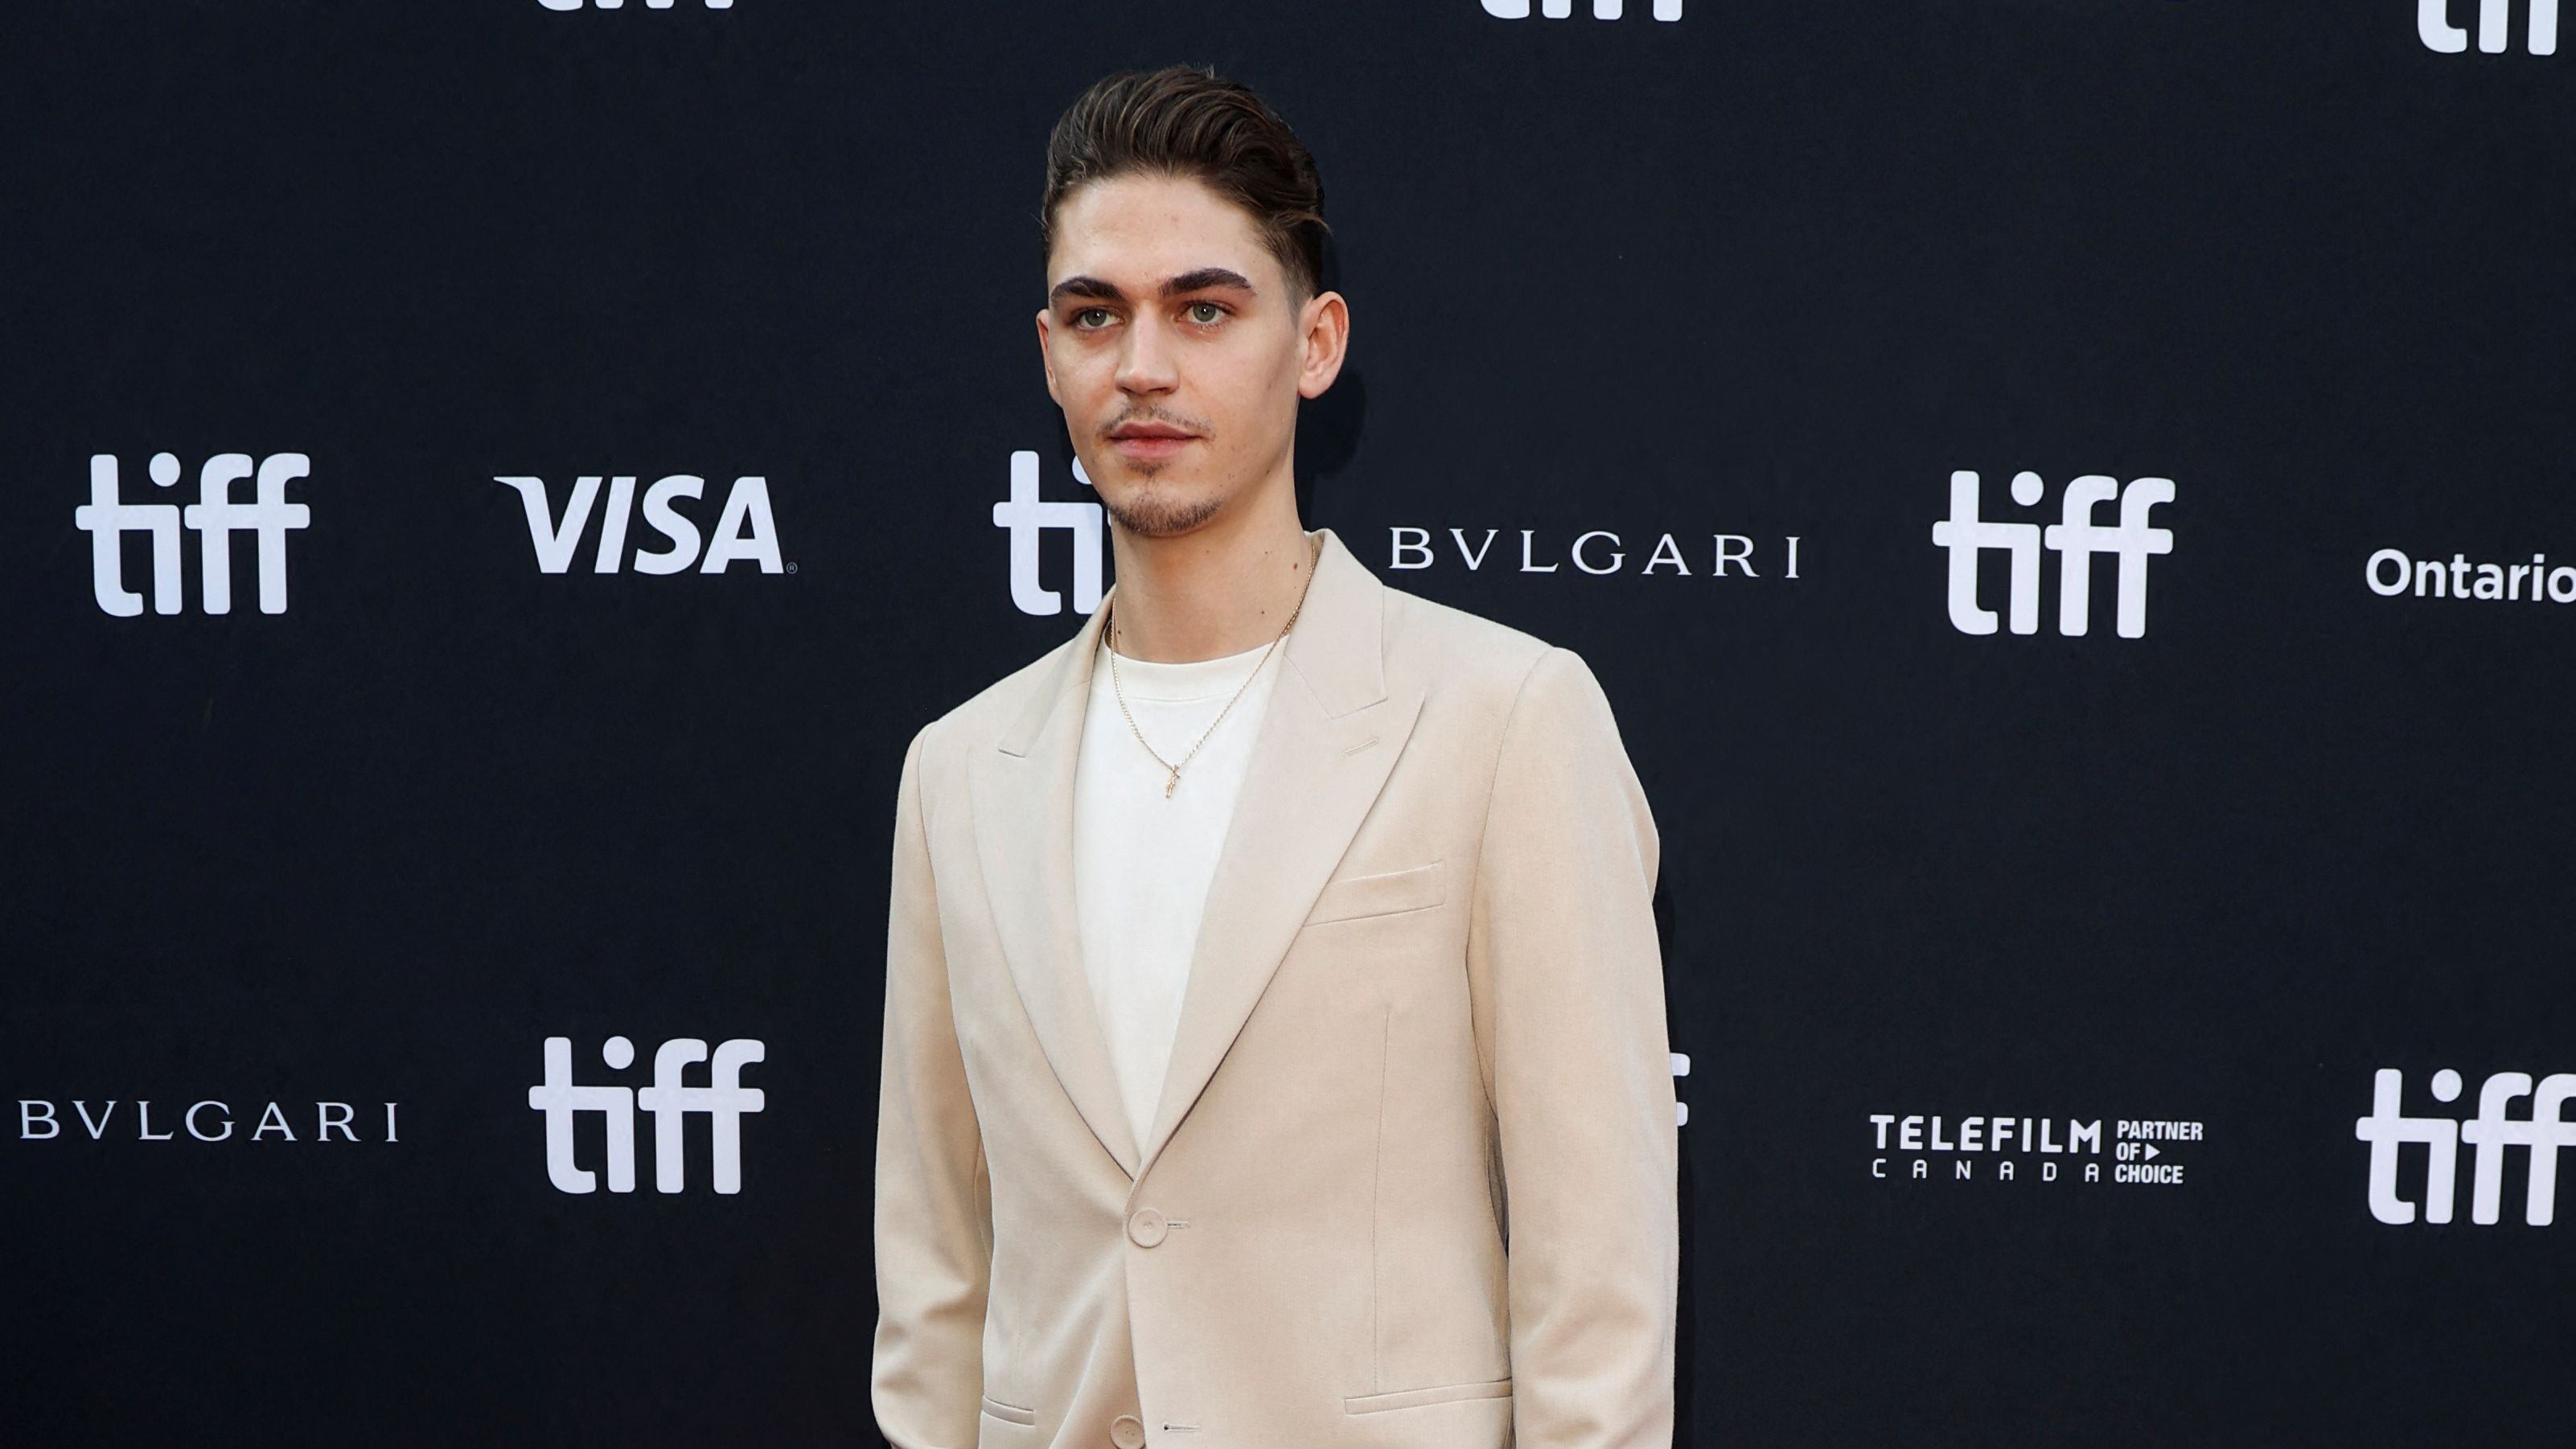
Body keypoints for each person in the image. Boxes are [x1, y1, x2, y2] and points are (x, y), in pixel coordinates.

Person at [872, 64, 1677, 1449]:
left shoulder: (1503, 717)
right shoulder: (959, 770)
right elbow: (938, 1276)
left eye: (1203, 308)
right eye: (1094, 315)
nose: (1142, 365)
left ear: (1315, 344)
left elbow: (1595, 1287)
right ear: (1049, 356)